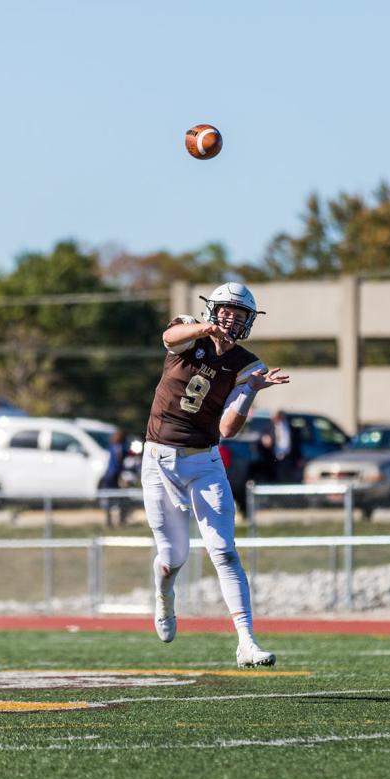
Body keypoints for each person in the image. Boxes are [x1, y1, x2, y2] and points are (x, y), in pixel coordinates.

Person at [142, 281, 290, 668]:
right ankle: (164, 597)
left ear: (248, 322)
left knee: (223, 550)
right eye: (226, 311)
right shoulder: (189, 331)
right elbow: (169, 335)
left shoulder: (248, 365)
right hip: (158, 461)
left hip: (204, 462)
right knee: (172, 558)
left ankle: (246, 642)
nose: (231, 319)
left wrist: (252, 390)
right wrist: (205, 330)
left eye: (239, 315)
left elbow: (227, 430)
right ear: (212, 311)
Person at [100, 430, 129, 527]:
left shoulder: (124, 448)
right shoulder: (110, 447)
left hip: (119, 475)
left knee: (122, 499)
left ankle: (121, 520)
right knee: (109, 498)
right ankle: (108, 521)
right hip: (110, 475)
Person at [271, 410, 302, 483]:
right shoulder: (271, 426)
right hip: (275, 457)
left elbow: (296, 444)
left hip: (288, 457)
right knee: (277, 477)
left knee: (287, 477)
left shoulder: (290, 428)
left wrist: (299, 457)